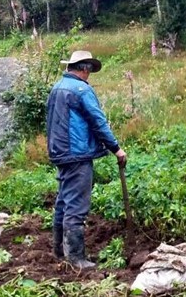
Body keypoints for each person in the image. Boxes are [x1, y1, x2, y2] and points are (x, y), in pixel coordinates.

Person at [46, 50, 126, 269]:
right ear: (84, 69)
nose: (89, 74)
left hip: (60, 153)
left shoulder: (57, 87)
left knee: (63, 201)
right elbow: (98, 122)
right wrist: (116, 149)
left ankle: (59, 252)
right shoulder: (81, 90)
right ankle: (76, 258)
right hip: (77, 153)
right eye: (89, 70)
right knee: (76, 205)